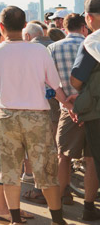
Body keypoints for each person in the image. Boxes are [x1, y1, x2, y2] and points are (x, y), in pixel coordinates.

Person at [0, 6, 72, 225]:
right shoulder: (39, 51)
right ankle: (57, 219)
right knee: (46, 169)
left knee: (10, 171)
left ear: (1, 27)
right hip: (36, 115)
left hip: (5, 115)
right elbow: (55, 83)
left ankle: (15, 219)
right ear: (24, 26)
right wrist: (68, 105)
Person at [48, 13, 100, 217]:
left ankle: (59, 203)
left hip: (69, 109)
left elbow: (51, 82)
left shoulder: (53, 48)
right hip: (94, 109)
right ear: (83, 26)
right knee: (91, 159)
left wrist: (67, 104)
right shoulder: (93, 44)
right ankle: (88, 206)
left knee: (63, 157)